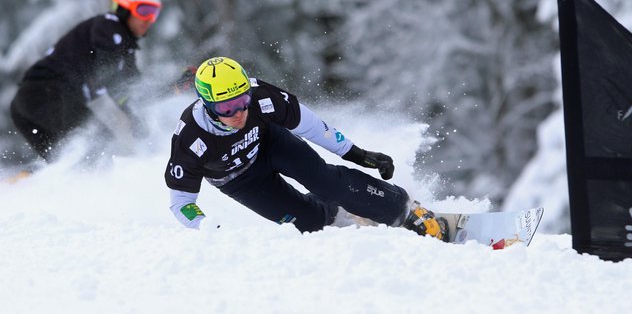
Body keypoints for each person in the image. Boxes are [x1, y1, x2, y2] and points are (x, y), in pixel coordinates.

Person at [165, 56, 449, 239]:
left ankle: (403, 209)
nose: (239, 111)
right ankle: (347, 217)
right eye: (227, 107)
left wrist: (357, 154)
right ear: (206, 103)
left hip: (271, 144)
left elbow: (312, 127)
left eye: (243, 100)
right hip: (238, 179)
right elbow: (181, 204)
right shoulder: (191, 140)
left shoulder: (263, 97)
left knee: (328, 183)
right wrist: (204, 226)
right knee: (306, 221)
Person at [10, 0, 162, 163]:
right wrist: (129, 109)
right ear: (124, 7)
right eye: (144, 10)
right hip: (45, 94)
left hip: (28, 104)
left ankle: (25, 184)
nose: (148, 19)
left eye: (154, 12)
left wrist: (137, 113)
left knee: (67, 163)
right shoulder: (108, 26)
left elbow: (134, 87)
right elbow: (113, 79)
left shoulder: (122, 44)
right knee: (96, 147)